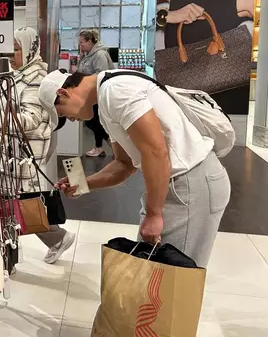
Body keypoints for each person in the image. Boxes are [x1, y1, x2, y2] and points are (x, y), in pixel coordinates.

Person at [41, 69, 230, 268]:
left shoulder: (114, 90)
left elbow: (155, 151)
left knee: (170, 279)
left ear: (64, 93)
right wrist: (83, 184)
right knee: (153, 278)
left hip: (189, 183)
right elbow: (124, 165)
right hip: (178, 185)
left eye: (62, 114)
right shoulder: (106, 99)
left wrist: (154, 214)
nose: (70, 120)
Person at [7, 27, 75, 264]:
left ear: (28, 50)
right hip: (18, 152)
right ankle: (53, 239)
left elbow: (31, 120)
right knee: (21, 204)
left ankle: (57, 237)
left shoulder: (34, 80)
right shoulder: (20, 75)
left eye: (16, 50)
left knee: (23, 205)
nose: (10, 55)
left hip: (28, 153)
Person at [76, 30, 113, 157]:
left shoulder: (99, 55)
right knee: (96, 120)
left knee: (92, 121)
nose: (80, 45)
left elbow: (100, 74)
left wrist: (85, 80)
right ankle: (99, 147)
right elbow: (80, 70)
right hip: (91, 93)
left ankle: (113, 143)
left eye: (82, 43)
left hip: (98, 93)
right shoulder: (88, 55)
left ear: (90, 41)